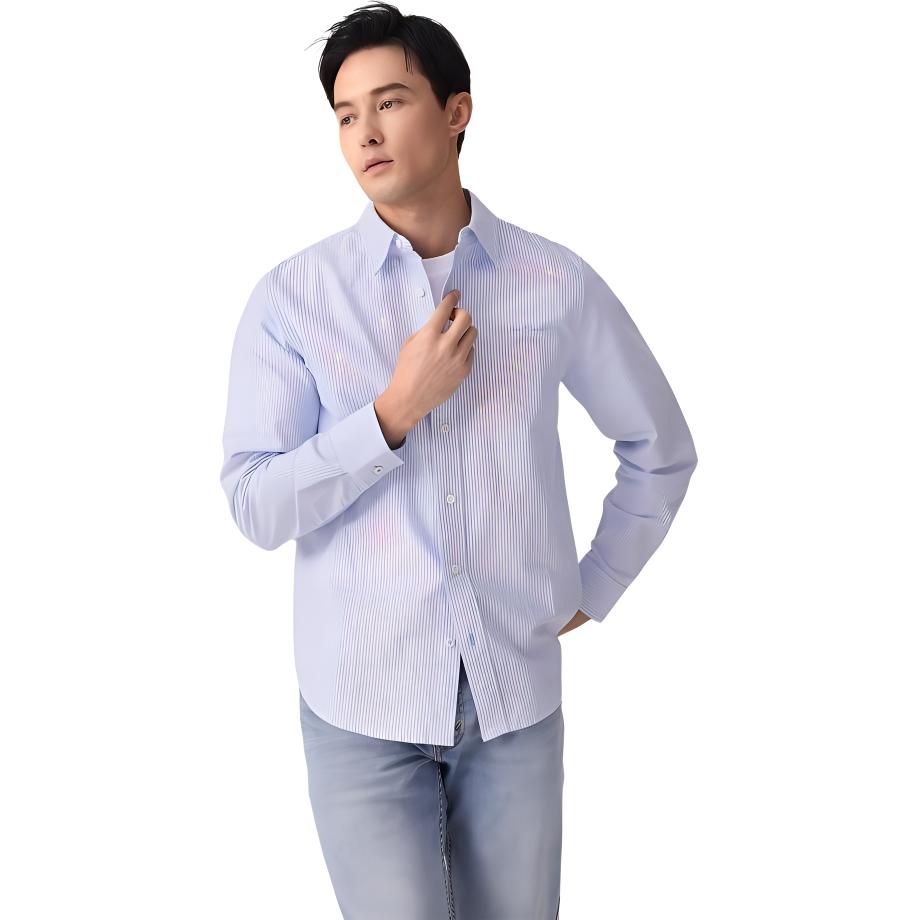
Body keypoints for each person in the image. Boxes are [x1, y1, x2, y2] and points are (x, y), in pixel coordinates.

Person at [219, 3, 698, 917]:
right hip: (362, 710)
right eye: (346, 114)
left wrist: (595, 584)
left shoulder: (553, 281)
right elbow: (255, 503)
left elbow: (659, 448)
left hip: (514, 702)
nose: (365, 133)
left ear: (456, 112)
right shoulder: (294, 299)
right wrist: (390, 415)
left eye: (390, 102)